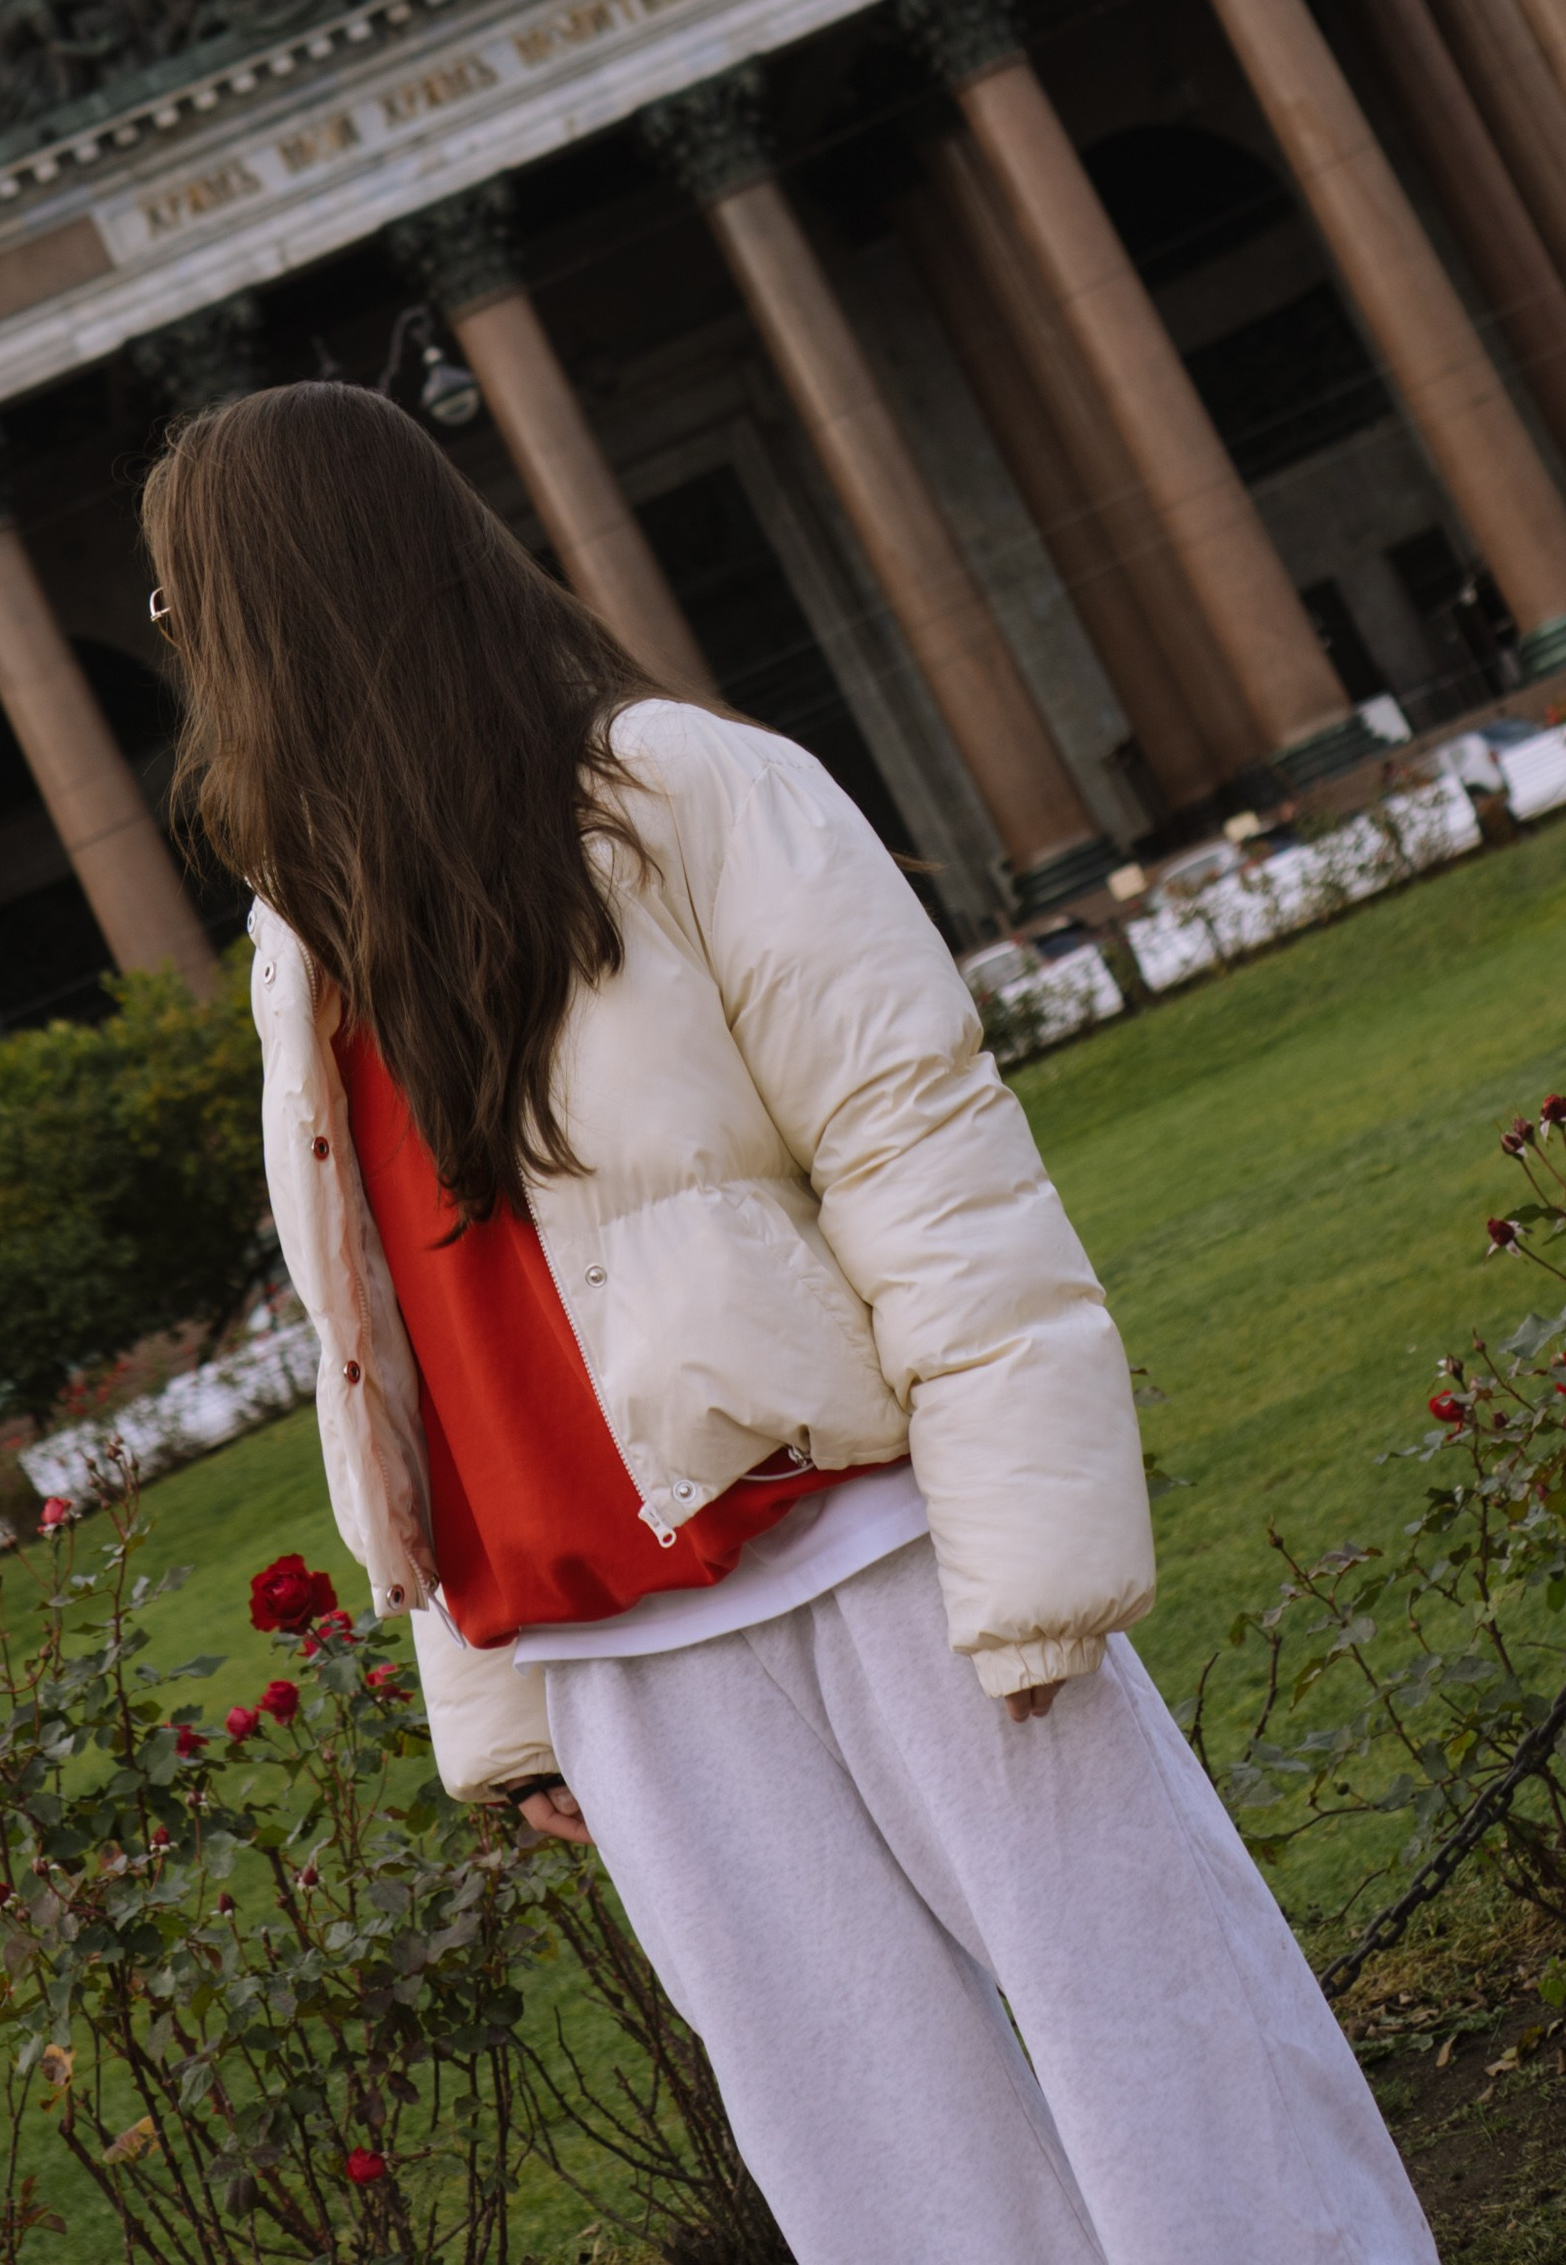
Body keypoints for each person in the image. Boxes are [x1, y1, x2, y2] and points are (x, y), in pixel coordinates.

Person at [139, 382, 1433, 2265]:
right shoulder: (298, 941)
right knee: (882, 2179)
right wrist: (497, 1711)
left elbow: (920, 1155)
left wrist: (1034, 1560)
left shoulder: (688, 789)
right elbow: (396, 1350)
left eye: (183, 603)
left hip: (889, 1551)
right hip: (623, 1663)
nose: (175, 652)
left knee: (1171, 2053)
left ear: (285, 597)